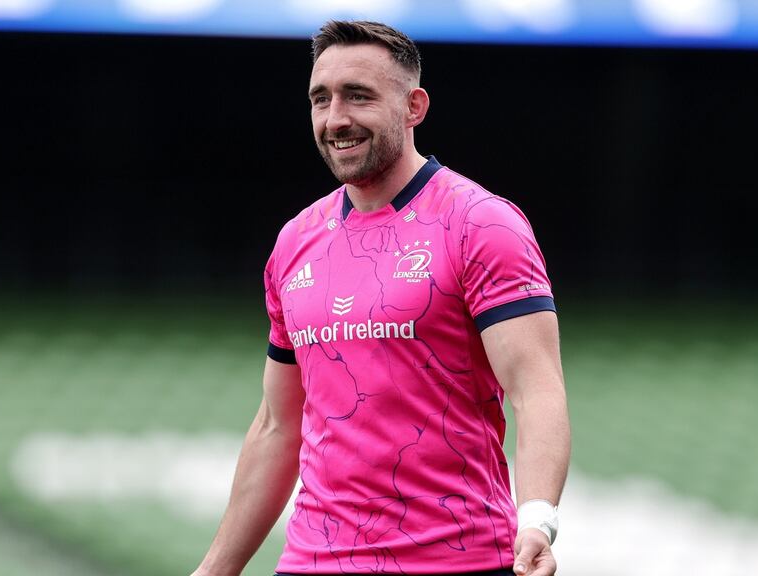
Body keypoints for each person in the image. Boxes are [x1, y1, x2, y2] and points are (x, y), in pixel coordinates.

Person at [192, 20, 570, 576]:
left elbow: (536, 390)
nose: (335, 118)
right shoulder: (296, 241)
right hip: (312, 561)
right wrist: (215, 569)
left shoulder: (481, 223)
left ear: (414, 106)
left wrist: (537, 519)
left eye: (358, 96)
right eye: (321, 99)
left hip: (457, 561)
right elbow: (279, 425)